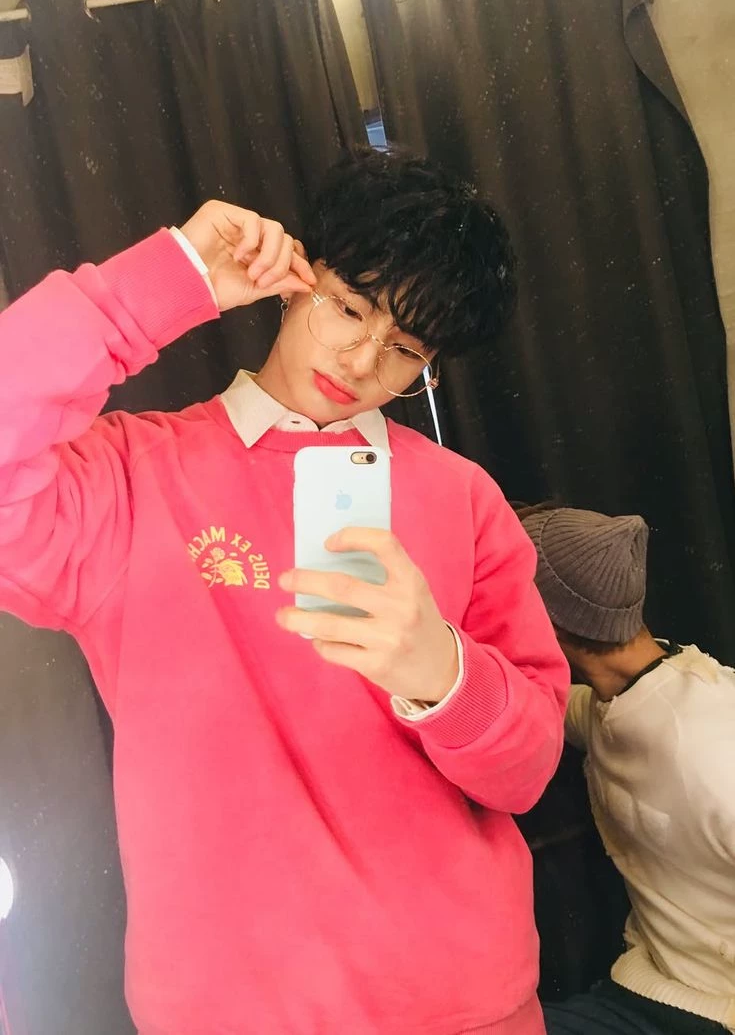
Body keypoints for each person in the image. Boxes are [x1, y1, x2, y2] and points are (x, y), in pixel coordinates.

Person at [0, 148, 569, 1035]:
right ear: (302, 276)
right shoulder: (130, 477)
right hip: (228, 1009)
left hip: (463, 1001)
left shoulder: (463, 499)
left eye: (406, 350)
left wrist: (442, 674)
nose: (362, 358)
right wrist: (163, 284)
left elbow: (526, 773)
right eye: (349, 307)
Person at [517, 505, 735, 1035]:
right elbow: (559, 711)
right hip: (651, 983)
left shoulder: (713, 746)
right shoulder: (622, 699)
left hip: (708, 1010)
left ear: (547, 622)